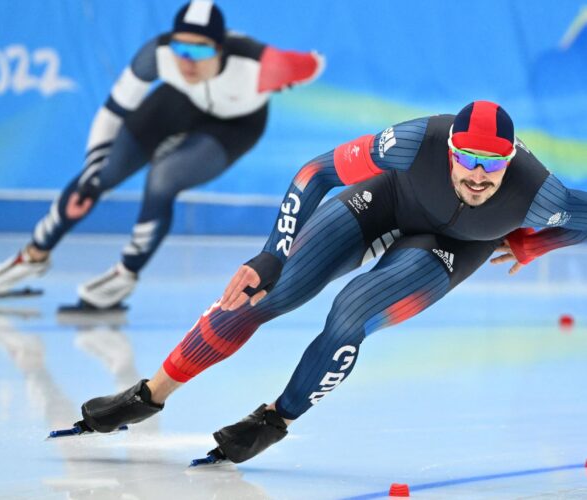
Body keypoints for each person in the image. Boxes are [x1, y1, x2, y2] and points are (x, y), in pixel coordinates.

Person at [70, 100, 587, 463]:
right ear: (450, 149)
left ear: (511, 159)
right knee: (270, 291)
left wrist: (532, 242)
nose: (477, 176)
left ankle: (277, 418)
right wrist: (272, 255)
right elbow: (316, 172)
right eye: (467, 160)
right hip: (385, 202)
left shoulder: (542, 193)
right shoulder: (413, 141)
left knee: (350, 313)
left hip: (453, 249)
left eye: (492, 165)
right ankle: (149, 395)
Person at [0, 0, 324, 309]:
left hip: (236, 124)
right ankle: (33, 255)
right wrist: (92, 164)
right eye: (180, 48)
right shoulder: (158, 55)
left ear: (220, 49)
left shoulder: (258, 66)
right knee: (100, 175)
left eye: (200, 52)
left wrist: (301, 73)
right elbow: (114, 110)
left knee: (164, 177)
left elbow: (314, 64)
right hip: (181, 101)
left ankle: (125, 274)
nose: (187, 60)